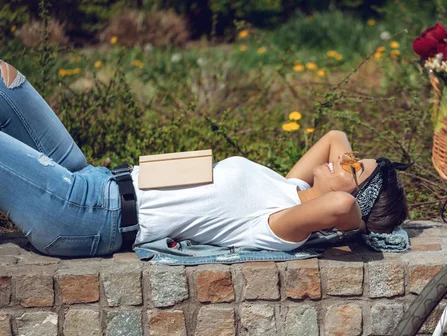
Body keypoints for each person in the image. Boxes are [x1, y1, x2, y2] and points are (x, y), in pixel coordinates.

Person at [0, 60, 409, 257]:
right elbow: (335, 136)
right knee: (7, 81)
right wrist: (361, 168)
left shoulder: (282, 226)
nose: (343, 159)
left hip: (86, 215)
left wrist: (359, 225)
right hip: (94, 179)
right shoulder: (292, 187)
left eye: (352, 168)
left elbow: (343, 204)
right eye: (352, 158)